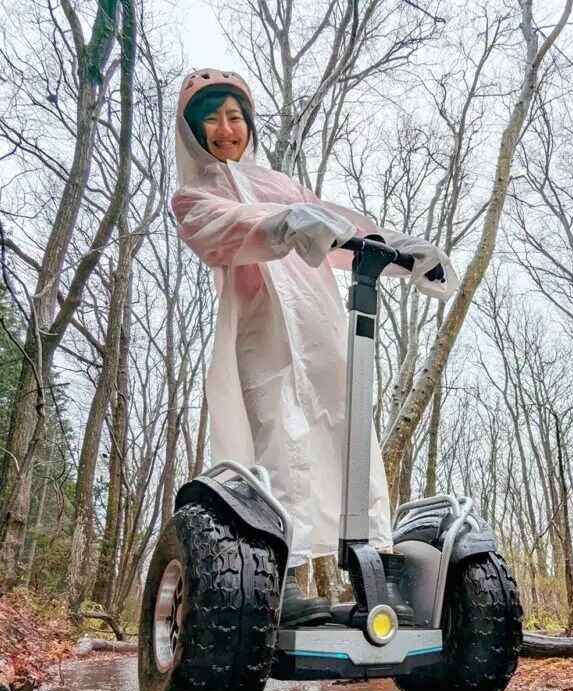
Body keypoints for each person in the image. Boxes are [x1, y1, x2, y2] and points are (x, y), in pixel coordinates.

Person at [172, 69, 456, 625]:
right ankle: (287, 579)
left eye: (235, 116)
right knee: (278, 444)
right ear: (193, 129)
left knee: (350, 436)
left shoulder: (283, 183)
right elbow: (223, 231)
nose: (226, 129)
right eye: (211, 118)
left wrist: (401, 249)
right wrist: (283, 224)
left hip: (321, 323)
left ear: (248, 123)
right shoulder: (195, 196)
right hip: (262, 327)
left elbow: (343, 229)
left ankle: (376, 573)